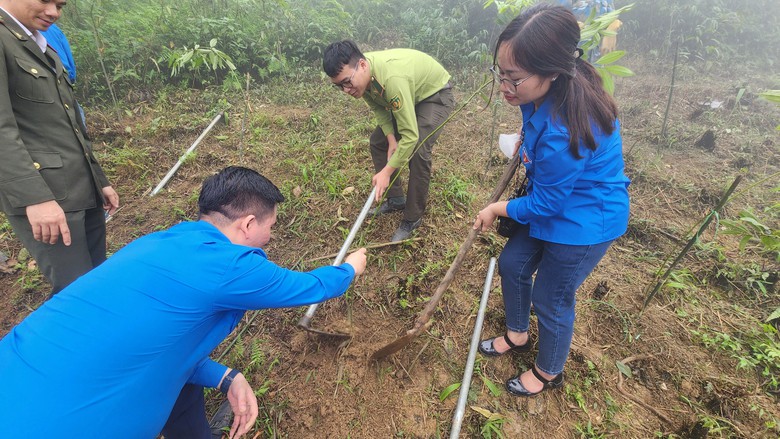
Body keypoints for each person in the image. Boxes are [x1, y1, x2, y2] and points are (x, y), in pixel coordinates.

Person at [0, 166, 369, 438]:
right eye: (270, 227)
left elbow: (152, 344)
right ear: (248, 224)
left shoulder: (156, 243)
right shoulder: (230, 266)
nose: (270, 237)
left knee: (180, 388)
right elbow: (310, 286)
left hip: (16, 372)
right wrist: (351, 268)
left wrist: (224, 376)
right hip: (63, 424)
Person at [473, 4, 630, 397]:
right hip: (554, 199)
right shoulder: (547, 88)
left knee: (551, 298)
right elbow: (537, 134)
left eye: (514, 78)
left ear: (552, 70)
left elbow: (545, 205)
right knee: (512, 264)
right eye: (500, 73)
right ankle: (517, 334)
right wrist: (526, 143)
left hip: (584, 220)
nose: (504, 86)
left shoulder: (565, 130)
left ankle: (548, 372)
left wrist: (496, 208)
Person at [0, 0, 120, 294]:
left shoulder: (41, 44)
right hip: (46, 195)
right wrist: (35, 198)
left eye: (60, 4)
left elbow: (69, 123)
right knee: (75, 291)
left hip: (81, 187)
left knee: (97, 279)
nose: (54, 12)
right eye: (45, 1)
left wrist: (99, 179)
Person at [323, 40, 455, 242]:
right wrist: (392, 140)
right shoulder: (363, 77)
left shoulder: (392, 79)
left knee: (418, 150)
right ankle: (396, 198)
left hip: (434, 95)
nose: (346, 90)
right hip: (409, 93)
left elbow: (410, 136)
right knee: (379, 141)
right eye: (339, 86)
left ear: (362, 65)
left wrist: (386, 172)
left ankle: (413, 217)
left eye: (347, 82)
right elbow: (379, 108)